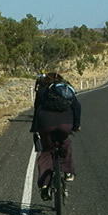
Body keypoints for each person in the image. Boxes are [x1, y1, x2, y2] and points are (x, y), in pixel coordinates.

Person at [30, 72, 81, 201]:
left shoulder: (42, 92)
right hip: (65, 123)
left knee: (46, 152)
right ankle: (68, 172)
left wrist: (35, 128)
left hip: (46, 124)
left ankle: (45, 186)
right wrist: (76, 125)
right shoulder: (66, 89)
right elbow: (77, 107)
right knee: (65, 143)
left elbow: (37, 110)